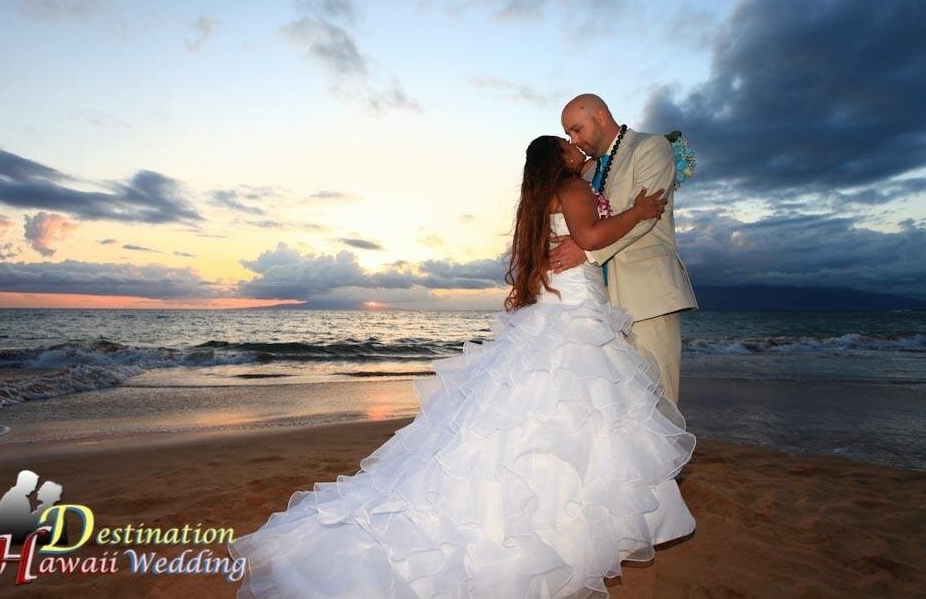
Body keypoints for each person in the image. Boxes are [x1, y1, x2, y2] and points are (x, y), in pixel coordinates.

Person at [228, 135, 697, 598]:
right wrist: (637, 212)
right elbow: (591, 237)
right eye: (568, 145)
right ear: (556, 160)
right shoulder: (572, 189)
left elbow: (567, 247)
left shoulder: (534, 205)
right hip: (575, 312)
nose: (577, 149)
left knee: (533, 421)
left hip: (551, 309)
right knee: (581, 416)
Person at [551, 94, 698, 405]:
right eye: (568, 135)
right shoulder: (588, 173)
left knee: (657, 399)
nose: (574, 140)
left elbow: (646, 215)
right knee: (618, 408)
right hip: (599, 304)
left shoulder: (651, 147)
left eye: (577, 130)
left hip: (646, 296)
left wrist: (586, 251)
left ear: (601, 116)